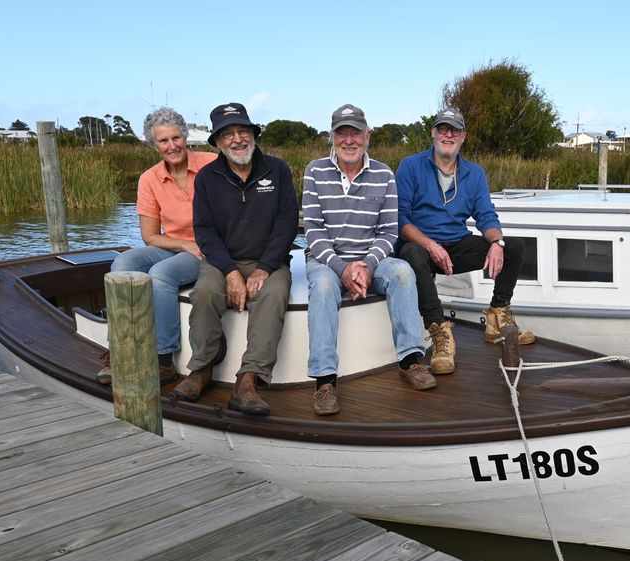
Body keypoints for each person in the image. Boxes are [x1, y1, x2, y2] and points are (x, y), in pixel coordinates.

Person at [303, 104, 435, 416]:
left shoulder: (384, 174)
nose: (349, 140)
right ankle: (324, 380)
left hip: (369, 260)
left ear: (367, 135)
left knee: (402, 271)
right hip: (327, 261)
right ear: (332, 137)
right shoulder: (314, 171)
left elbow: (389, 232)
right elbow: (313, 231)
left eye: (355, 133)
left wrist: (367, 265)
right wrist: (343, 268)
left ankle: (410, 361)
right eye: (342, 133)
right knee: (322, 285)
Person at [171, 103, 298, 416]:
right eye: (228, 134)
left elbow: (286, 224)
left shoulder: (278, 170)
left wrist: (264, 269)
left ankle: (248, 380)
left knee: (273, 295)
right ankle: (201, 370)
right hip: (221, 261)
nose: (238, 139)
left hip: (269, 260)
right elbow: (204, 231)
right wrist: (229, 272)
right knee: (204, 293)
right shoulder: (206, 179)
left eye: (243, 131)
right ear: (217, 142)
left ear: (253, 134)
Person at [396, 107, 535, 376]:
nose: (448, 135)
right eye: (443, 129)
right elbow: (400, 220)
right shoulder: (410, 166)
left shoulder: (474, 173)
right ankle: (439, 333)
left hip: (456, 245)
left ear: (463, 137)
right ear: (433, 132)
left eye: (454, 130)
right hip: (421, 246)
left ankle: (497, 316)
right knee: (412, 253)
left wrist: (497, 243)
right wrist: (431, 245)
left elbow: (486, 215)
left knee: (514, 246)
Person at [97, 107, 217, 385]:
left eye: (176, 138)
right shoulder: (149, 179)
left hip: (210, 248)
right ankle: (120, 350)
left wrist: (196, 246)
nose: (172, 146)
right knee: (122, 264)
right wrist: (184, 244)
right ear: (154, 145)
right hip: (178, 244)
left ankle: (164, 360)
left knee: (161, 274)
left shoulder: (212, 164)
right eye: (163, 141)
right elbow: (150, 236)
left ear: (186, 137)